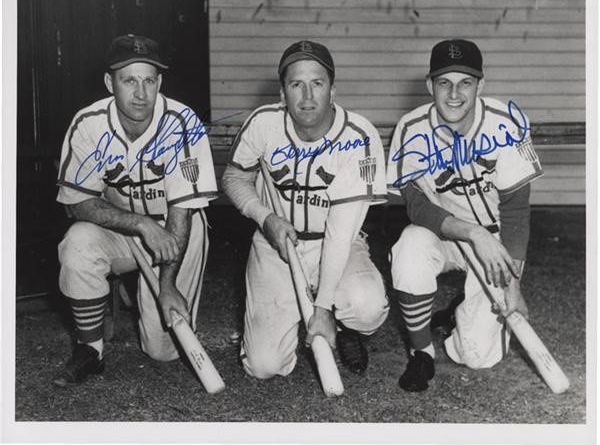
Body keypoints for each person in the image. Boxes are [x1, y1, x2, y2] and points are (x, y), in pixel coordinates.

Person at [54, 34, 218, 385]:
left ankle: (142, 290)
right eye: (129, 80)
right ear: (109, 83)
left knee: (162, 350)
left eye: (149, 80)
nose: (141, 93)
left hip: (179, 225)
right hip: (122, 227)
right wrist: (141, 224)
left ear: (160, 82)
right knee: (77, 242)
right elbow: (76, 204)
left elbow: (182, 209)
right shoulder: (89, 124)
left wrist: (167, 284)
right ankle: (91, 350)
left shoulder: (182, 123)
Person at [222, 40, 389, 378]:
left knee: (367, 308)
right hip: (275, 246)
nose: (308, 96)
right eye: (296, 84)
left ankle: (344, 327)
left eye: (318, 83)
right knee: (264, 366)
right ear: (282, 93)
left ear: (333, 90)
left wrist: (325, 306)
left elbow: (341, 233)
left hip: (339, 243)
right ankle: (297, 318)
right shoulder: (264, 123)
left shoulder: (359, 135)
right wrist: (264, 217)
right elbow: (233, 178)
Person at [386, 39, 544, 392]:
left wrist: (512, 284)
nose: (454, 93)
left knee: (477, 355)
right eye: (444, 82)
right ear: (430, 86)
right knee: (409, 248)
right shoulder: (411, 129)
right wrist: (473, 233)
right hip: (446, 235)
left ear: (481, 85)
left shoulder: (504, 122)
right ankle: (421, 352)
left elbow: (516, 209)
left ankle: (462, 310)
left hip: (497, 242)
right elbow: (416, 205)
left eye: (465, 83)